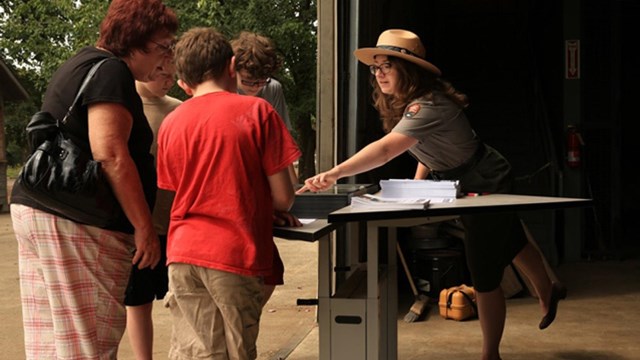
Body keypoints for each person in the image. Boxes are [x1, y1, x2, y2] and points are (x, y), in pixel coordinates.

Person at [298, 29, 567, 360]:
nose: (378, 73)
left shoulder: (428, 106)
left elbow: (385, 151)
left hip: (485, 178)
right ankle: (548, 289)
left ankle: (490, 354)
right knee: (511, 239)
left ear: (409, 70)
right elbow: (425, 149)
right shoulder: (410, 104)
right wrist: (416, 187)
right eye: (375, 67)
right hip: (463, 177)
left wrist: (334, 172)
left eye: (387, 66)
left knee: (482, 270)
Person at [9, 0, 178, 359]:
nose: (166, 58)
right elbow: (111, 153)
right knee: (90, 344)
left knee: (50, 344)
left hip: (38, 209)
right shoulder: (112, 71)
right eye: (164, 46)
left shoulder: (79, 63)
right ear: (137, 39)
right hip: (79, 222)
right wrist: (143, 226)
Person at [157, 27, 301, 359]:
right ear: (232, 66)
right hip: (233, 255)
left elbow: (181, 190)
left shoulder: (171, 122)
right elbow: (284, 197)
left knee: (198, 352)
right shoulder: (258, 112)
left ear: (184, 81)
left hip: (182, 256)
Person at [231, 30, 300, 306]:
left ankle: (245, 323)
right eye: (248, 81)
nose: (255, 87)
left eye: (261, 81)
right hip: (234, 180)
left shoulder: (273, 89)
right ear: (233, 70)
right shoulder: (222, 88)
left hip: (261, 179)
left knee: (271, 272)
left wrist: (295, 190)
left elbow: (282, 143)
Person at [125, 63, 182, 360]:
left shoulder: (180, 109)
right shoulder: (125, 105)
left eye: (174, 74)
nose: (169, 81)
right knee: (139, 300)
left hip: (175, 221)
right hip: (139, 223)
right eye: (162, 73)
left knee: (182, 297)